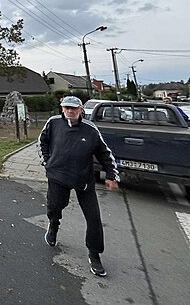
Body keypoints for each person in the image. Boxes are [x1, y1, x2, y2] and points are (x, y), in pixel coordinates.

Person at [38, 96, 120, 277]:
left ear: (81, 110)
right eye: (67, 108)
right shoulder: (53, 124)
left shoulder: (90, 130)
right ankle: (53, 226)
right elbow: (42, 141)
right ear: (62, 109)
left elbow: (105, 153)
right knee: (55, 206)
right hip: (58, 176)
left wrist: (111, 175)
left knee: (94, 219)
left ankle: (94, 254)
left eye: (74, 108)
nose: (70, 111)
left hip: (83, 179)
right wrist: (47, 161)